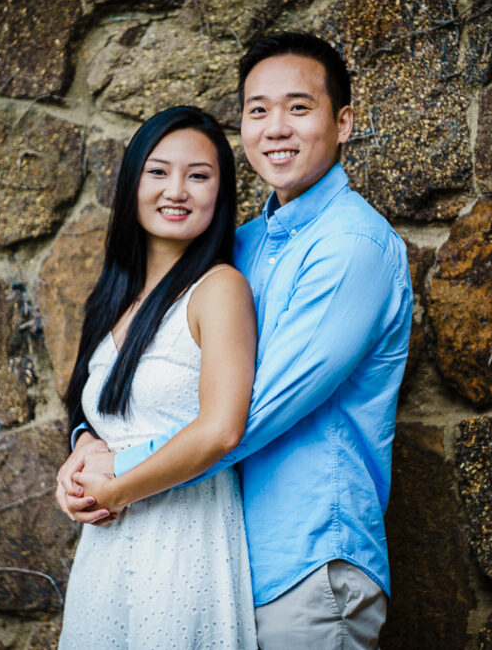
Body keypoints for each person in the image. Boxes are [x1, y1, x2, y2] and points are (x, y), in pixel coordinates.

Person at [60, 32, 413, 648]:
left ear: (344, 122)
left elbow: (248, 414)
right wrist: (87, 442)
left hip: (306, 566)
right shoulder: (242, 246)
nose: (276, 127)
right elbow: (153, 372)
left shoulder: (351, 248)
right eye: (258, 110)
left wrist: (117, 471)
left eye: (299, 108)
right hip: (218, 559)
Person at [57, 106, 259, 649]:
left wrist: (115, 489)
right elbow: (91, 415)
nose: (177, 190)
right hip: (106, 552)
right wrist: (75, 468)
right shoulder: (113, 296)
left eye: (198, 175)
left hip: (185, 539)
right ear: (132, 184)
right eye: (158, 171)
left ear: (220, 193)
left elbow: (222, 430)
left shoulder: (219, 290)